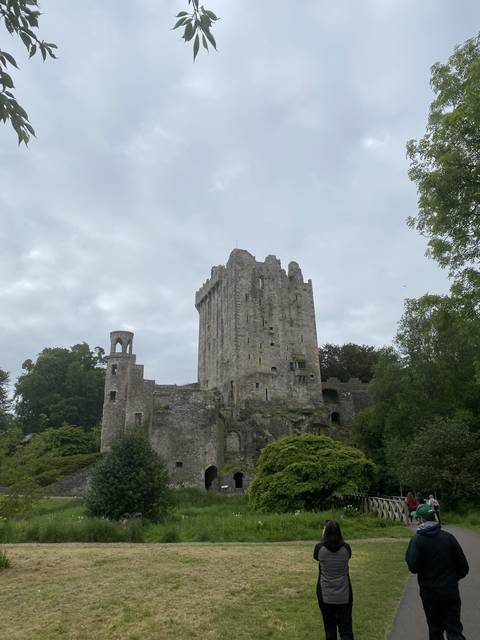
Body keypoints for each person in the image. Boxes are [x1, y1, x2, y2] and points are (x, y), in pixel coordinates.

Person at [406, 503, 469, 640]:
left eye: (417, 519)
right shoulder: (448, 537)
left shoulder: (417, 541)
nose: (416, 521)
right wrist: (452, 578)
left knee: (435, 629)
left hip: (430, 593)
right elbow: (464, 567)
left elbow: (413, 567)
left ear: (421, 520)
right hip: (449, 590)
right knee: (454, 629)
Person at [313, 520, 354, 640]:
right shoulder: (346, 549)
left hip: (325, 594)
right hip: (344, 594)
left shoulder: (319, 548)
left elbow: (316, 556)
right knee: (346, 630)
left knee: (330, 630)